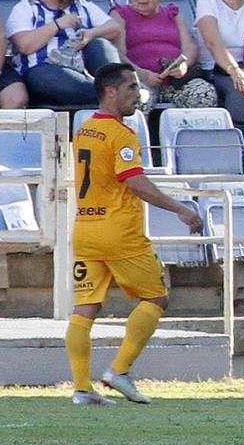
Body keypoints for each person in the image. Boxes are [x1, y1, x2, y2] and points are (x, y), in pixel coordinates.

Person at [66, 64, 204, 406]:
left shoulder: (84, 130)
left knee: (85, 309)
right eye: (130, 87)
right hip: (119, 232)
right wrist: (180, 209)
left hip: (85, 229)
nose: (137, 94)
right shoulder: (122, 135)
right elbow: (135, 182)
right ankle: (120, 371)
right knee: (156, 298)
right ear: (110, 91)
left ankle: (82, 389)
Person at [92, 0, 216, 111]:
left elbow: (190, 47)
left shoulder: (173, 13)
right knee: (138, 99)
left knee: (205, 94)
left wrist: (184, 65)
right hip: (139, 80)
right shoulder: (120, 14)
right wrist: (141, 74)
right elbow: (117, 54)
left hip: (175, 82)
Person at [7, 0, 122, 107]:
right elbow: (24, 45)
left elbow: (114, 28)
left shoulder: (81, 5)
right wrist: (56, 25)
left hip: (79, 67)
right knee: (49, 77)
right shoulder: (26, 8)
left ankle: (117, 89)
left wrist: (91, 34)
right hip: (43, 71)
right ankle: (120, 96)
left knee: (100, 44)